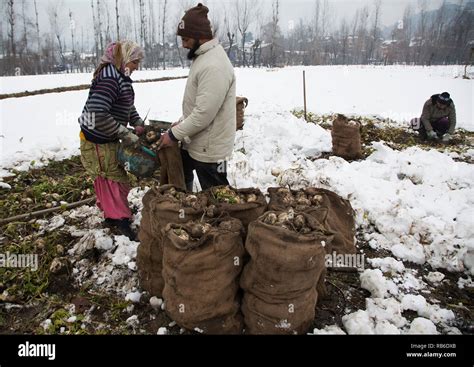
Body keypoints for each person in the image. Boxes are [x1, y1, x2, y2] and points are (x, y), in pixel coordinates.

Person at [159, 3, 236, 191]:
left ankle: (224, 219)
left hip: (210, 150)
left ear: (200, 37)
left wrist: (172, 134)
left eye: (186, 39)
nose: (183, 44)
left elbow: (203, 114)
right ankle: (190, 209)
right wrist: (182, 122)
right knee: (183, 176)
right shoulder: (204, 57)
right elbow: (199, 103)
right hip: (198, 142)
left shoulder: (213, 65)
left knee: (217, 196)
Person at [78, 41, 145, 240]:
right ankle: (119, 221)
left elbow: (124, 103)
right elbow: (97, 114)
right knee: (111, 179)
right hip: (96, 140)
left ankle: (116, 213)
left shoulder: (120, 76)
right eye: (135, 61)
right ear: (123, 59)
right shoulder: (109, 78)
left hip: (108, 137)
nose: (137, 67)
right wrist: (124, 133)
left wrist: (136, 120)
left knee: (117, 178)